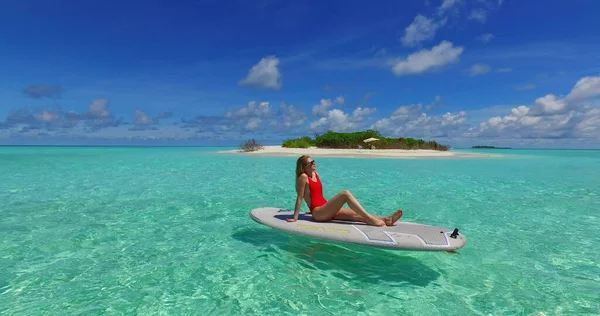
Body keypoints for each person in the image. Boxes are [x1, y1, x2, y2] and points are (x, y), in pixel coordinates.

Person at [287, 155, 403, 226]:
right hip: (319, 213)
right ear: (304, 166)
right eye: (311, 162)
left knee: (355, 214)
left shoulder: (316, 174)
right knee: (345, 194)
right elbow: (300, 197)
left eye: (314, 161)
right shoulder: (303, 177)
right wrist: (295, 217)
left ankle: (387, 219)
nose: (314, 163)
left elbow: (315, 195)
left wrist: (311, 208)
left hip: (325, 208)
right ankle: (371, 220)